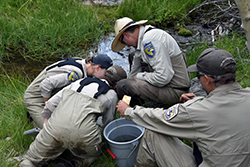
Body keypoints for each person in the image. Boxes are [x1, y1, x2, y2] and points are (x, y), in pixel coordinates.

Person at [116, 48, 250, 166]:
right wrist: (200, 100)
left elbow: (160, 119)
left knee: (152, 133)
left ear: (208, 79)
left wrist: (128, 111)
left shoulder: (198, 111)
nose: (198, 80)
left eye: (199, 76)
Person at [19, 65, 127, 167]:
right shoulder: (111, 95)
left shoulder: (79, 82)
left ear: (104, 74)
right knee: (92, 155)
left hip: (56, 127)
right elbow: (107, 123)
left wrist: (46, 127)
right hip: (83, 134)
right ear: (116, 84)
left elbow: (50, 104)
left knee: (30, 159)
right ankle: (72, 164)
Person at [111, 17, 190, 107]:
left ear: (126, 35)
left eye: (124, 42)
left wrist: (138, 78)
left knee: (123, 86)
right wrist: (131, 80)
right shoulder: (146, 34)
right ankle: (135, 104)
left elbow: (163, 77)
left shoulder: (150, 41)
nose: (127, 45)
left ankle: (131, 112)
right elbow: (134, 71)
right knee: (132, 56)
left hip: (176, 90)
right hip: (168, 83)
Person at [23, 54, 113, 128]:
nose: (106, 76)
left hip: (49, 94)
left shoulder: (82, 63)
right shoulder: (76, 73)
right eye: (106, 72)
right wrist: (49, 108)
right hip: (34, 98)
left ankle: (36, 116)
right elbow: (45, 85)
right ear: (97, 68)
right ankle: (34, 118)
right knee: (53, 129)